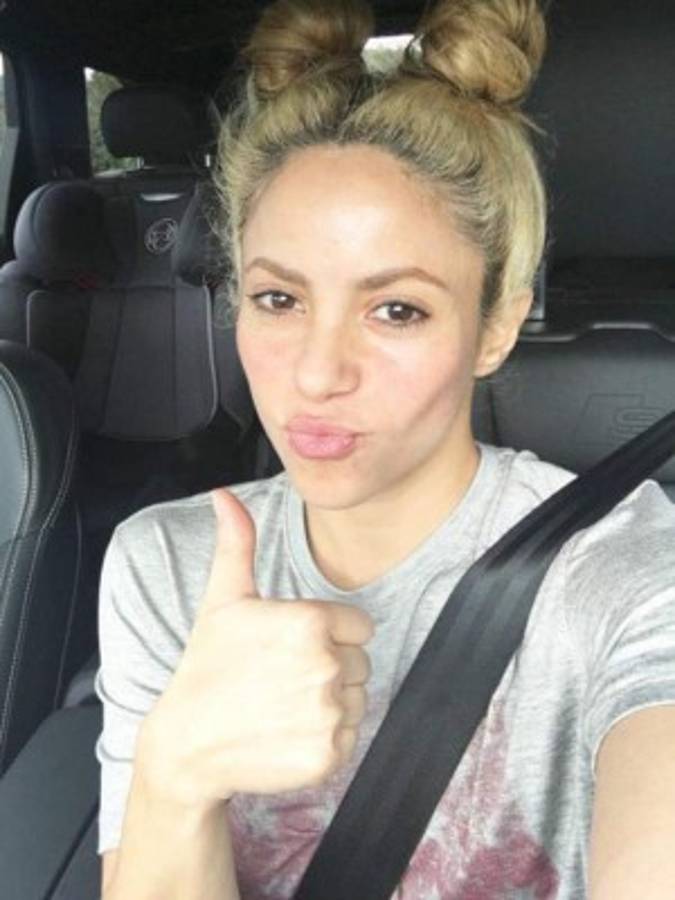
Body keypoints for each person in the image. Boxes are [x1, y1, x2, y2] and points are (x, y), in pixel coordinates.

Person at [95, 0, 675, 897]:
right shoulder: (166, 563)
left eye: (396, 309)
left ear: (494, 327)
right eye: (279, 300)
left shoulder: (620, 569)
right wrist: (175, 780)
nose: (317, 373)